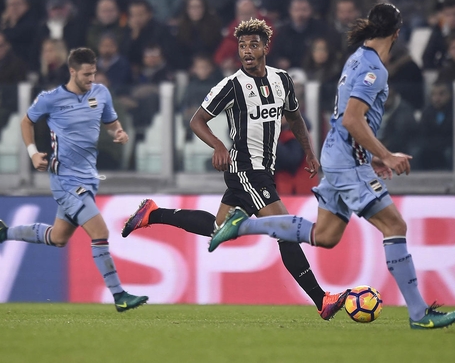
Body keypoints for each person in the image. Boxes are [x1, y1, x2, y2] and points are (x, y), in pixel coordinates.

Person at [208, 3, 455, 330]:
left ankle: (240, 226)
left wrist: (366, 154)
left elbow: (346, 120)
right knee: (395, 227)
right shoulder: (374, 69)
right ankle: (418, 314)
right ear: (397, 34)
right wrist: (385, 154)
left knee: (325, 235)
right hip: (346, 160)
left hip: (339, 154)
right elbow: (352, 118)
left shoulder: (356, 58)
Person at [121, 18, 350, 321]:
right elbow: (196, 120)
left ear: (265, 47)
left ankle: (153, 213)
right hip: (245, 169)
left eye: (253, 44)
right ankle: (322, 300)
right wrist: (218, 146)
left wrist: (309, 152)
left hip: (263, 170)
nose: (246, 51)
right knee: (285, 231)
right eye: (242, 46)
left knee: (217, 229)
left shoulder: (282, 80)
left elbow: (294, 118)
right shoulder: (230, 86)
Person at [0, 47, 148, 312]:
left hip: (88, 179)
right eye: (86, 74)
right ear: (72, 71)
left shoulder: (101, 93)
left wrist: (120, 132)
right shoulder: (51, 99)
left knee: (58, 238)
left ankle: (3, 232)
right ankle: (119, 296)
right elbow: (26, 122)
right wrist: (33, 153)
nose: (92, 78)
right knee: (100, 232)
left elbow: (111, 122)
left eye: (94, 73)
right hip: (65, 180)